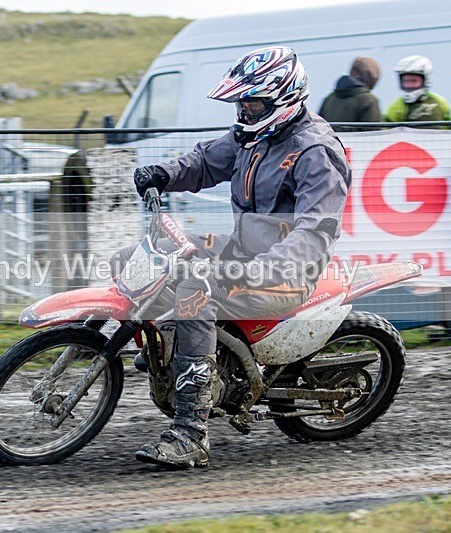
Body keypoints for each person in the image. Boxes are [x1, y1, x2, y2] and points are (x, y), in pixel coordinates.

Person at [113, 46, 351, 468]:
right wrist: (164, 174)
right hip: (242, 249)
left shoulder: (316, 152)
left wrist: (258, 269)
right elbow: (206, 162)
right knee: (136, 256)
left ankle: (191, 432)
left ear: (283, 99)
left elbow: (315, 232)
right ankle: (169, 345)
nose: (243, 111)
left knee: (195, 291)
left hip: (284, 272)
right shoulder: (254, 134)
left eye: (251, 103)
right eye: (241, 102)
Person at [384, 55, 451, 128]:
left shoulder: (439, 102)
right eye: (405, 81)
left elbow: (450, 128)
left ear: (425, 81)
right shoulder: (397, 105)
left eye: (414, 81)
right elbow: (387, 129)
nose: (409, 85)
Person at [318, 56, 382, 131]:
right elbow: (372, 134)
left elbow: (317, 129)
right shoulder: (368, 100)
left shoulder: (329, 99)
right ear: (370, 78)